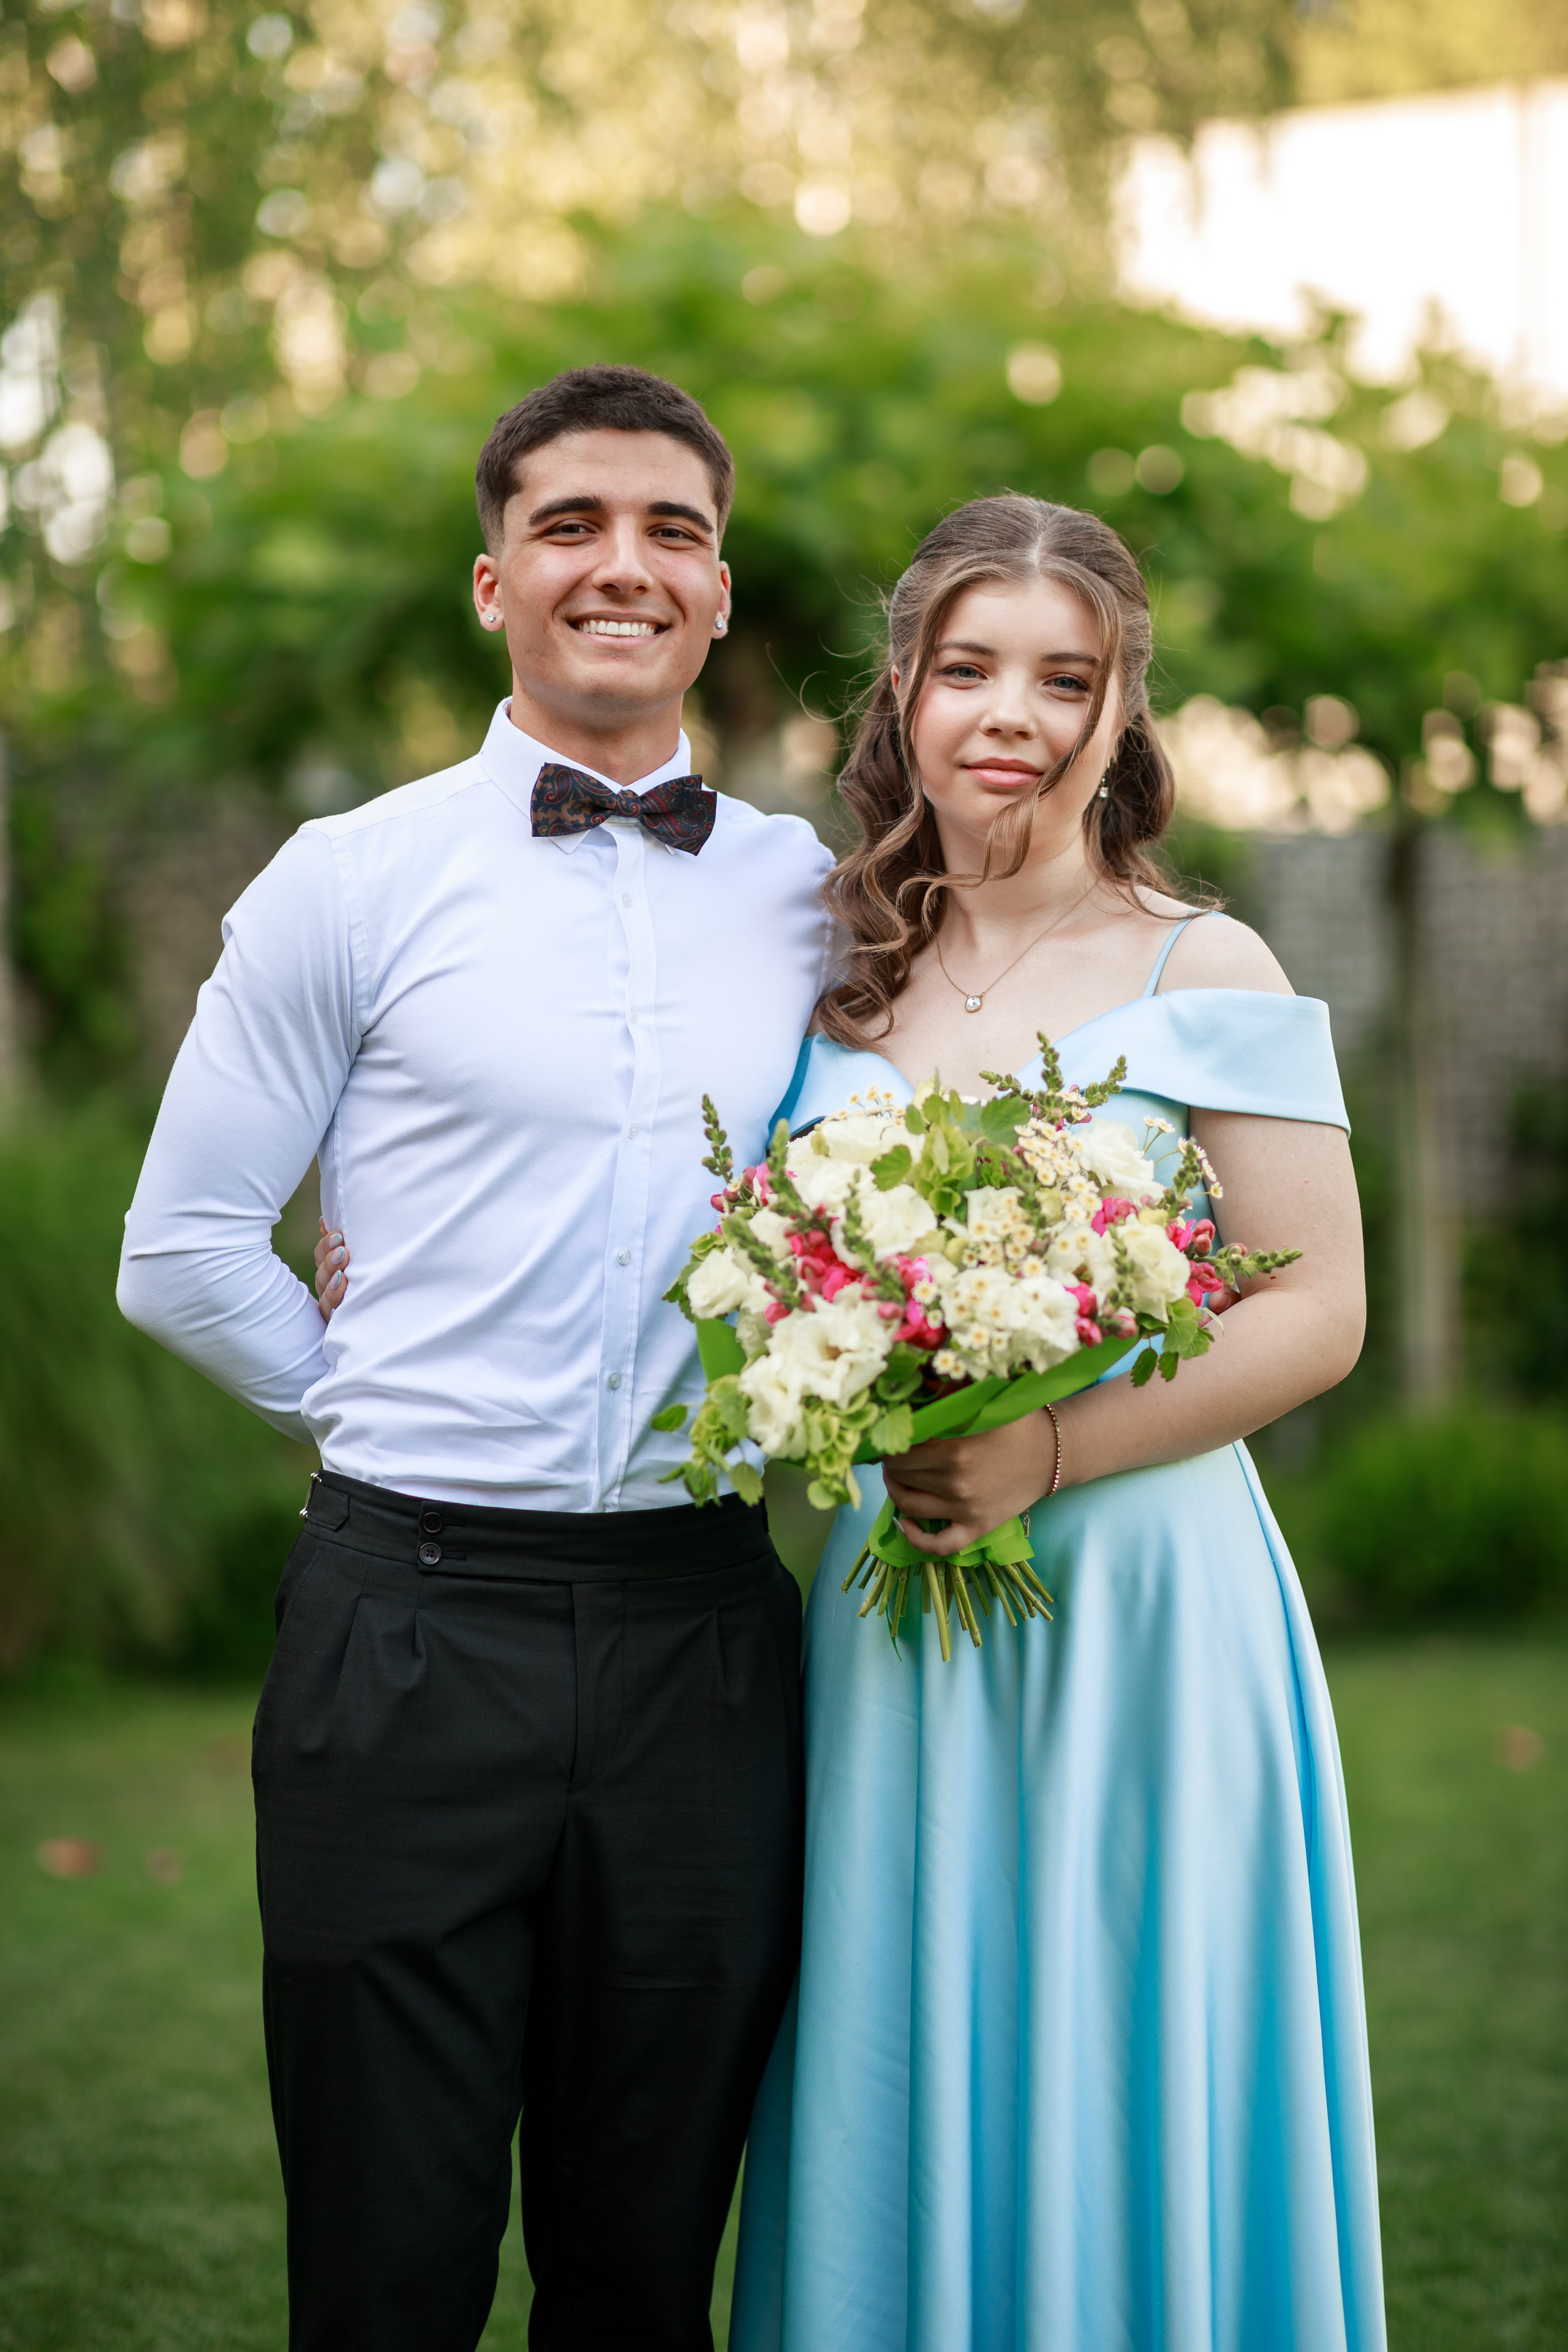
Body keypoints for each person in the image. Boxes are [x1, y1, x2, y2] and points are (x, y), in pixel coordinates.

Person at [117, 364, 835, 2352]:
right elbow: (179, 1253)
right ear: (493, 577)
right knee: (388, 2261)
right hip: (406, 1628)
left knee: (645, 2264)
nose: (627, 564)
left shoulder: (816, 895)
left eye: (673, 529)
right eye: (575, 525)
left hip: (707, 1630)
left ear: (715, 585)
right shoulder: (350, 879)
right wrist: (389, 1403)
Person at [719, 495, 1387, 2352]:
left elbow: (1321, 1307)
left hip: (1147, 1599)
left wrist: (1053, 1447)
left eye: (1064, 677)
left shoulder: (1206, 964)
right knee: (902, 2021)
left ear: (1122, 712)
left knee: (1129, 2019)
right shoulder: (825, 972)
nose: (1010, 713)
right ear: (906, 696)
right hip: (890, 1598)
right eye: (970, 668)